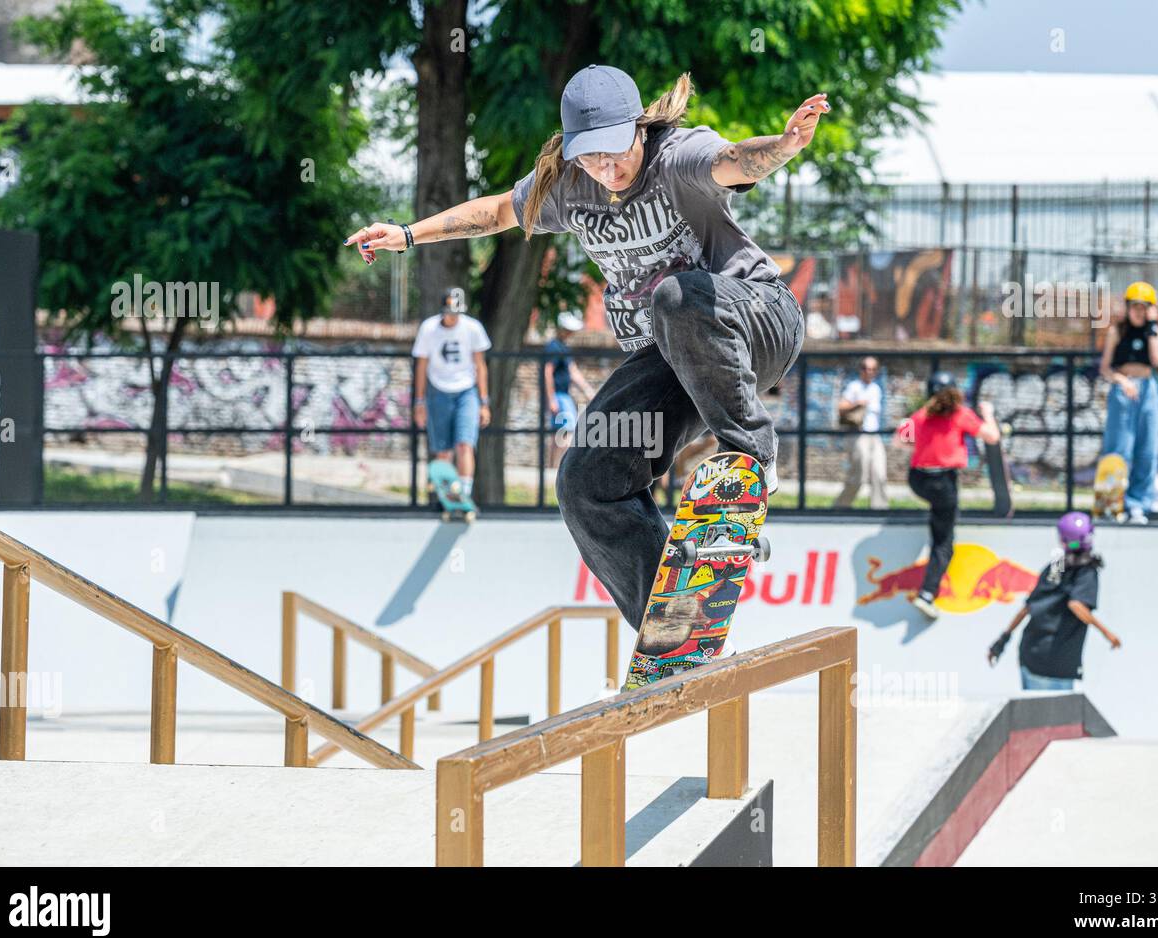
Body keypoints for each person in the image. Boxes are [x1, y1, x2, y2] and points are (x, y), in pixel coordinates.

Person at [347, 66, 820, 653]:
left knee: (676, 296)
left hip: (757, 318)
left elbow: (732, 160)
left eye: (616, 154)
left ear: (639, 129)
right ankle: (675, 622)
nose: (607, 169)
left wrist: (782, 146)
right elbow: (498, 212)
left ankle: (752, 455)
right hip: (677, 359)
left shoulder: (676, 157)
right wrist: (408, 233)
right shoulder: (570, 186)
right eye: (591, 158)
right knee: (585, 478)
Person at [896, 370, 1001, 619]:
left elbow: (901, 441)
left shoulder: (920, 416)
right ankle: (927, 595)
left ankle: (938, 514)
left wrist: (921, 441)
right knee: (944, 544)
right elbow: (992, 436)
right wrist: (988, 414)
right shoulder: (960, 415)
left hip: (918, 479)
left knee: (940, 511)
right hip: (943, 482)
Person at [988, 511, 1122, 690]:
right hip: (1057, 662)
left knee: (1035, 714)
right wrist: (1107, 633)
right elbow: (1076, 604)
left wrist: (1002, 641)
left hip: (1031, 655)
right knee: (1060, 716)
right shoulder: (1087, 571)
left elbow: (1028, 607)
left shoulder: (1056, 566)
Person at [410, 287, 492, 499]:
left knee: (465, 443)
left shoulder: (473, 328)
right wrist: (419, 402)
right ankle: (447, 495)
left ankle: (464, 492)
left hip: (466, 391)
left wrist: (484, 402)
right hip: (438, 389)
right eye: (449, 313)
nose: (452, 318)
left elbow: (480, 366)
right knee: (443, 449)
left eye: (456, 313)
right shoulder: (429, 329)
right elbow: (421, 366)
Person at [1099, 280, 1158, 525]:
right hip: (1123, 390)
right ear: (1127, 307)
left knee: (1147, 449)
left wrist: (1151, 326)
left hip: (1148, 390)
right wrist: (1122, 381)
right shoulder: (1117, 331)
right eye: (1135, 306)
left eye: (1144, 307)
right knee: (1119, 448)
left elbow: (1156, 360)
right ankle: (1111, 502)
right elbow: (1105, 368)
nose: (1138, 311)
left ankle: (1138, 503)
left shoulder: (1156, 332)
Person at [834, 355, 887, 509]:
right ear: (861, 370)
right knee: (859, 477)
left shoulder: (876, 388)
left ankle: (879, 510)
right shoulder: (854, 387)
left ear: (876, 371)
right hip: (858, 435)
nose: (869, 372)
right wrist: (857, 403)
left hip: (874, 436)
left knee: (879, 474)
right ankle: (840, 508)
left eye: (872, 369)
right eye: (865, 368)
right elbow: (841, 407)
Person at [544, 310, 594, 470]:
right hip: (559, 396)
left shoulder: (563, 348)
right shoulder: (554, 347)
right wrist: (551, 398)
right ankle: (558, 467)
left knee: (559, 432)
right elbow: (547, 372)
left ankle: (553, 467)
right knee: (568, 429)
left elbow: (573, 372)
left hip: (563, 395)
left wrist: (587, 390)